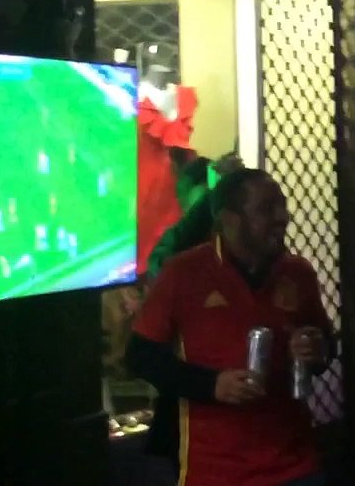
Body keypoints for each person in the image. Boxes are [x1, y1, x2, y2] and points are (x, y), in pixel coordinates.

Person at [126, 169, 333, 486]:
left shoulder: (297, 272)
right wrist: (211, 385)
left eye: (282, 206)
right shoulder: (184, 273)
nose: (282, 217)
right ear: (229, 220)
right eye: (266, 209)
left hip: (296, 463)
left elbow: (324, 347)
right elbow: (140, 356)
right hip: (215, 470)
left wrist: (317, 350)